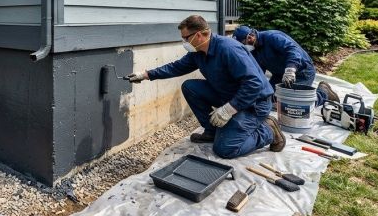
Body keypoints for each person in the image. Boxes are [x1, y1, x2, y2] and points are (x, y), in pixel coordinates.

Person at [126, 15, 285, 158]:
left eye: (186, 38)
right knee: (190, 87)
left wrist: (229, 109)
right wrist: (146, 74)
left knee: (225, 149)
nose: (184, 42)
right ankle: (212, 131)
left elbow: (254, 84)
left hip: (254, 103)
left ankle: (268, 130)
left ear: (200, 35)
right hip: (229, 95)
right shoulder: (198, 52)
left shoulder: (228, 49)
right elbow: (177, 67)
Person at [231, 26, 339, 106]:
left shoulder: (272, 37)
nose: (244, 48)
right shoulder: (255, 50)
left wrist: (290, 70)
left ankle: (324, 93)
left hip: (301, 71)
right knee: (267, 99)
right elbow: (258, 72)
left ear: (250, 37)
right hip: (279, 75)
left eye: (243, 44)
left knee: (295, 106)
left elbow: (293, 50)